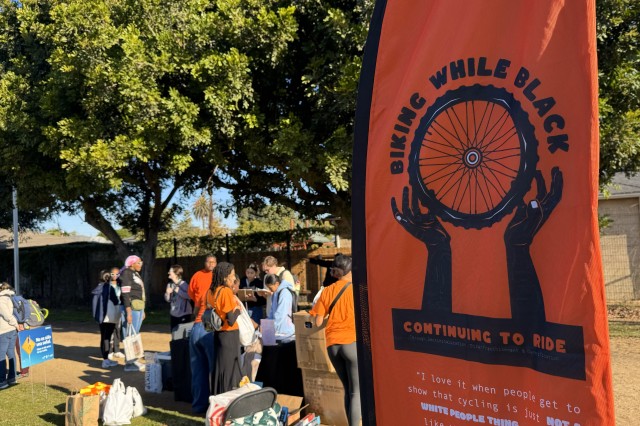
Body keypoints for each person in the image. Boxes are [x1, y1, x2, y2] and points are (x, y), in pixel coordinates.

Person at [310, 254, 361, 426]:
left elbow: (316, 321)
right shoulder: (358, 289)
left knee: (348, 390)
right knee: (356, 392)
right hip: (352, 343)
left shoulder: (327, 291)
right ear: (350, 271)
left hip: (333, 346)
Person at [206, 262, 242, 394]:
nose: (234, 278)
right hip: (229, 334)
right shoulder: (226, 291)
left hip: (218, 334)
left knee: (220, 368)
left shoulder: (210, 291)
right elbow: (231, 320)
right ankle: (229, 401)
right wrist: (238, 309)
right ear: (225, 277)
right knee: (231, 370)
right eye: (232, 275)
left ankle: (218, 397)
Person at [188, 254, 217, 413]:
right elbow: (192, 294)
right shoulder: (200, 275)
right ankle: (213, 407)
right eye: (209, 261)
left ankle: (198, 406)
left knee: (198, 369)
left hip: (197, 325)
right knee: (213, 368)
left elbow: (192, 295)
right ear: (204, 262)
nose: (211, 264)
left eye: (213, 262)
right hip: (208, 326)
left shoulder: (199, 276)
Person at [120, 255, 146, 372]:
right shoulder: (126, 273)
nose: (141, 265)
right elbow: (125, 294)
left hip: (138, 307)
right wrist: (128, 312)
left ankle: (133, 360)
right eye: (139, 263)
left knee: (134, 335)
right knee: (130, 335)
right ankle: (129, 364)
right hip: (131, 308)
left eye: (141, 263)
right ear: (132, 263)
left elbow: (140, 291)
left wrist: (143, 310)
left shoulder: (134, 273)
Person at [92, 268, 122, 369]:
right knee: (107, 338)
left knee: (103, 336)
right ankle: (106, 361)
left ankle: (105, 359)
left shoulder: (98, 287)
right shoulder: (110, 288)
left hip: (101, 316)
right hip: (109, 316)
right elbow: (116, 301)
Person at [263, 273, 295, 342]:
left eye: (270, 288)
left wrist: (269, 328)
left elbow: (281, 314)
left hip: (286, 332)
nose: (270, 290)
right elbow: (272, 312)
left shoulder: (285, 293)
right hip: (278, 331)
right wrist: (266, 323)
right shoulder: (275, 293)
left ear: (277, 284)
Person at [0, 282, 20, 389]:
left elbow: (7, 316)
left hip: (4, 331)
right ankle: (12, 378)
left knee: (1, 356)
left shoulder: (1, 300)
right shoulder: (10, 297)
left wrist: (15, 323)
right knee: (11, 353)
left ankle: (2, 381)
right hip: (12, 330)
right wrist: (16, 325)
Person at [164, 264, 193, 330]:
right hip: (173, 314)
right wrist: (167, 293)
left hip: (184, 314)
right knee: (174, 334)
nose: (168, 273)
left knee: (183, 336)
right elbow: (168, 300)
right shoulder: (169, 284)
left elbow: (190, 296)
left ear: (176, 273)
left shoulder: (184, 284)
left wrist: (179, 291)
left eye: (170, 271)